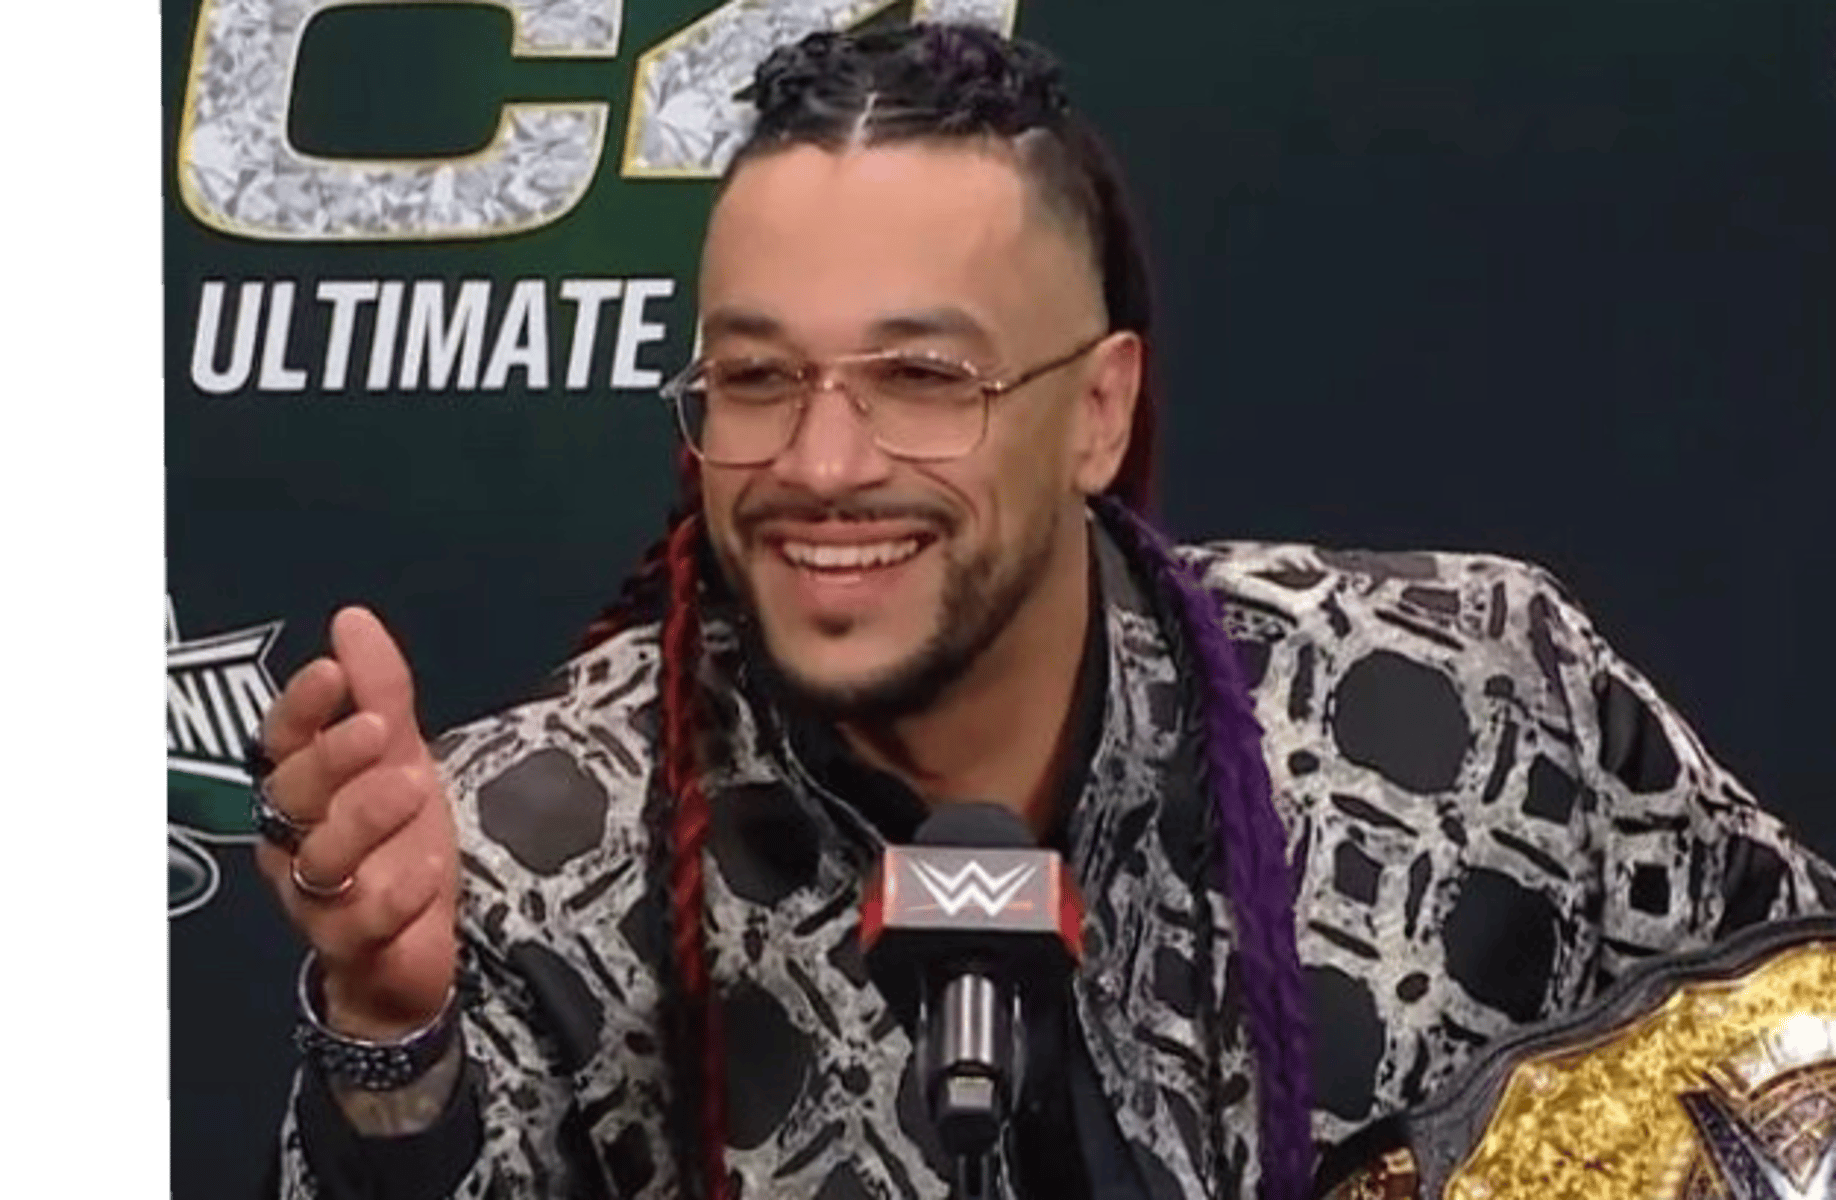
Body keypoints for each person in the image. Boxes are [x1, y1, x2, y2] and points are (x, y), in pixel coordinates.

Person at [249, 22, 1836, 1200]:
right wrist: (391, 1040)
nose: (821, 464)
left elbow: (1805, 1055)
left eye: (921, 378)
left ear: (1097, 412)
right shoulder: (526, 853)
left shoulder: (1476, 706)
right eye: (756, 377)